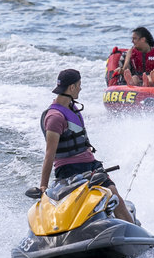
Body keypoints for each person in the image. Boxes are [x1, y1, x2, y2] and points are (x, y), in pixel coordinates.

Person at [40, 69, 134, 223]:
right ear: (71, 88)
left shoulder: (72, 107)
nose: (80, 89)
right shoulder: (54, 118)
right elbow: (49, 155)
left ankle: (133, 231)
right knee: (103, 195)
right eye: (79, 85)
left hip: (89, 164)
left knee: (113, 194)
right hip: (69, 170)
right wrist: (43, 187)